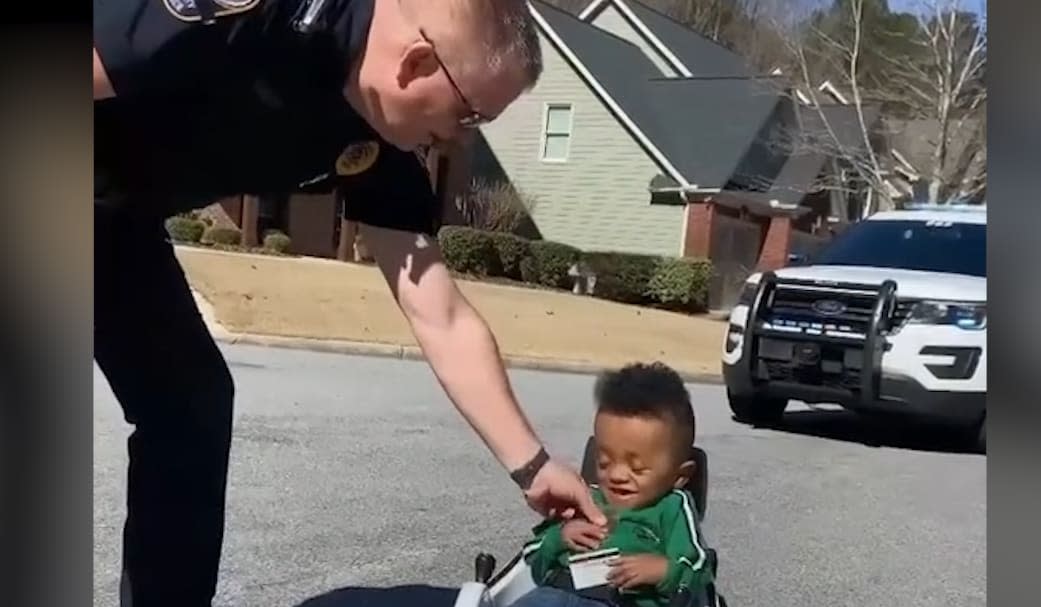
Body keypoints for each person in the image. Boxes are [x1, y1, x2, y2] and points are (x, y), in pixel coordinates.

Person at [92, 1, 606, 605]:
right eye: (469, 115)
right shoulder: (256, 14)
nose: (464, 138)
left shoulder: (378, 135)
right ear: (416, 63)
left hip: (111, 221)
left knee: (191, 408)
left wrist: (535, 466)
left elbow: (439, 313)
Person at [512, 362, 714, 607]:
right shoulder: (585, 498)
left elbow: (700, 569)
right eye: (605, 463)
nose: (617, 475)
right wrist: (560, 537)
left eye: (637, 469)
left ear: (680, 476)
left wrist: (663, 571)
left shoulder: (672, 507)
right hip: (556, 594)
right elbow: (531, 555)